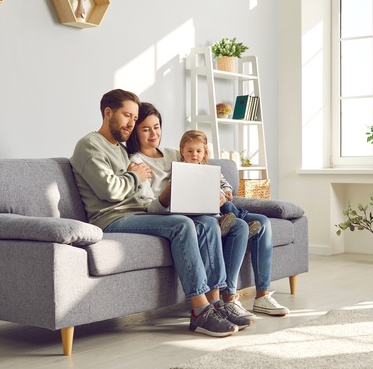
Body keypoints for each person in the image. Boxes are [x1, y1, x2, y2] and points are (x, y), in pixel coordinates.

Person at [70, 89, 242, 337]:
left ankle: (215, 301)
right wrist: (135, 175)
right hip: (111, 219)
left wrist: (153, 189)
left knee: (205, 222)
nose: (131, 123)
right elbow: (110, 190)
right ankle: (199, 311)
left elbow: (138, 191)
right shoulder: (89, 145)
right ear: (108, 113)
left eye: (134, 117)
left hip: (138, 213)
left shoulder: (119, 148)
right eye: (127, 115)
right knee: (182, 225)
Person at [127, 102, 290, 319]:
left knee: (263, 222)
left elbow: (199, 164)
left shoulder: (173, 153)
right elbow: (150, 206)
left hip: (206, 206)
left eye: (156, 127)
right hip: (176, 213)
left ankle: (261, 295)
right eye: (145, 129)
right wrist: (171, 191)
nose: (153, 134)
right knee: (239, 227)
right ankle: (228, 297)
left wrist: (219, 191)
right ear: (135, 131)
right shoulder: (136, 162)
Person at [178, 130, 259, 238]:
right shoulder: (180, 170)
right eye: (190, 151)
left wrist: (227, 191)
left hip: (219, 202)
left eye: (198, 151)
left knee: (228, 205)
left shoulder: (208, 169)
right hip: (201, 205)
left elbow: (223, 182)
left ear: (204, 152)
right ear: (182, 151)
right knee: (225, 206)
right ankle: (224, 222)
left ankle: (238, 221)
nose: (194, 155)